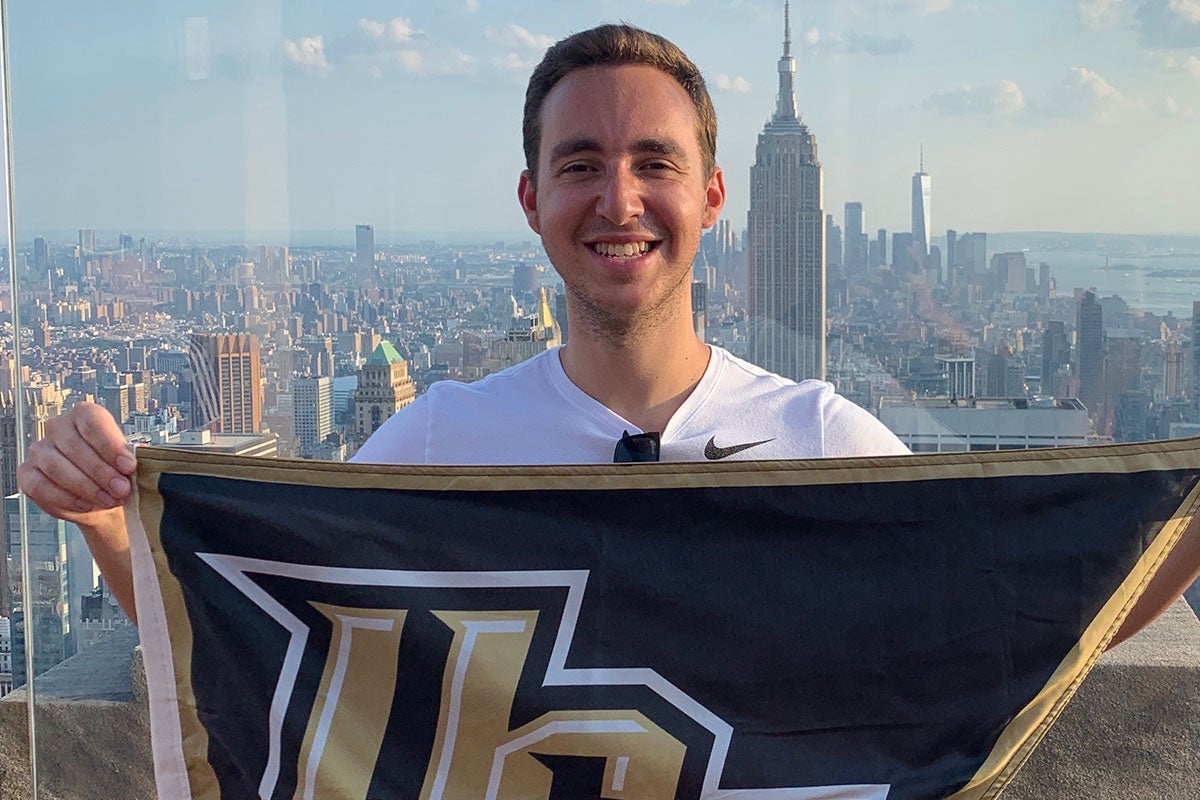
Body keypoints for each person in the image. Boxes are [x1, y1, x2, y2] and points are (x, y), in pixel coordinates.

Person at [15, 25, 1199, 640]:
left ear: (715, 198)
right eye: (579, 165)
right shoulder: (435, 446)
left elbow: (1022, 620)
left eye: (655, 165)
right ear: (530, 200)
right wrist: (112, 523)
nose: (619, 200)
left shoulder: (822, 434)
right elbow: (256, 643)